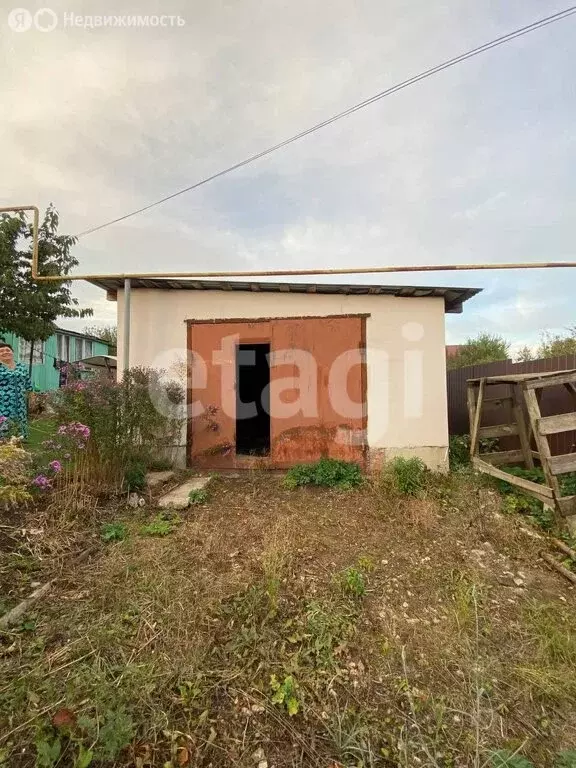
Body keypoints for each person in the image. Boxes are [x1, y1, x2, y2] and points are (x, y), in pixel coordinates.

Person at [0, 342, 31, 439]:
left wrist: (31, 395)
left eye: (8, 350)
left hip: (20, 403)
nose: (5, 352)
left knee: (19, 421)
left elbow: (28, 383)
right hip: (2, 403)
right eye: (1, 351)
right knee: (4, 422)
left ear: (12, 352)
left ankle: (19, 440)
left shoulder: (21, 367)